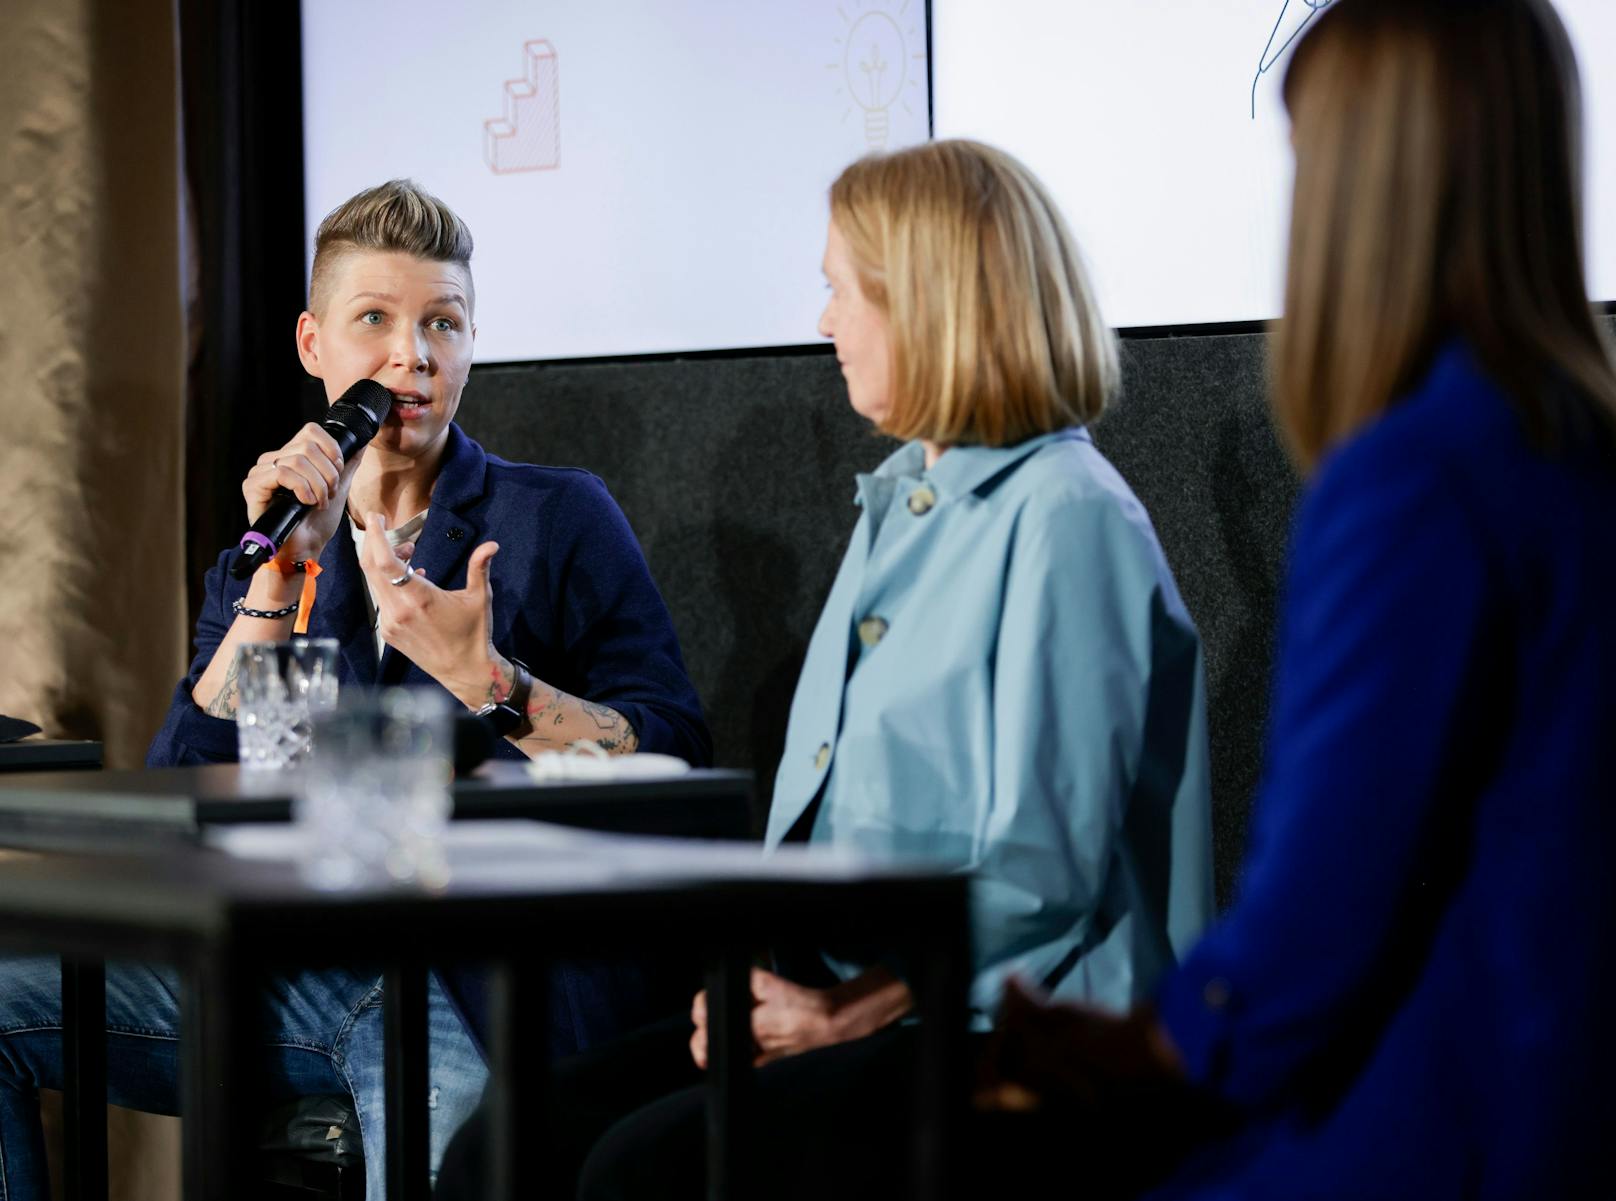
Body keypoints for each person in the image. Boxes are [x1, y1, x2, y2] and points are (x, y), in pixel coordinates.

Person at [437, 138, 1215, 1200]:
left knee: (640, 1172)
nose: (822, 323)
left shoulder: (1068, 518)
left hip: (1015, 1030)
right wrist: (765, 978)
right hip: (874, 994)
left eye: (837, 290)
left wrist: (849, 1008)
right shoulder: (902, 499)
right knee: (503, 1145)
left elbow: (1044, 875)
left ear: (928, 304)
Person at [981, 2, 1616, 1198]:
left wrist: (1135, 1047)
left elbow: (1319, 920)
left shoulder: (1411, 478)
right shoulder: (1569, 447)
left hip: (1439, 1119)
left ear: (1360, 186)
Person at [0, 180, 710, 1200]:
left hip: (467, 972)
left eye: (443, 325)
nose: (409, 357)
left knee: (442, 1126)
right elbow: (178, 799)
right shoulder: (276, 547)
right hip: (286, 971)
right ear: (311, 344)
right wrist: (275, 586)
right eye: (374, 320)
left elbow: (670, 755)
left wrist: (488, 679)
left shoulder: (556, 518)